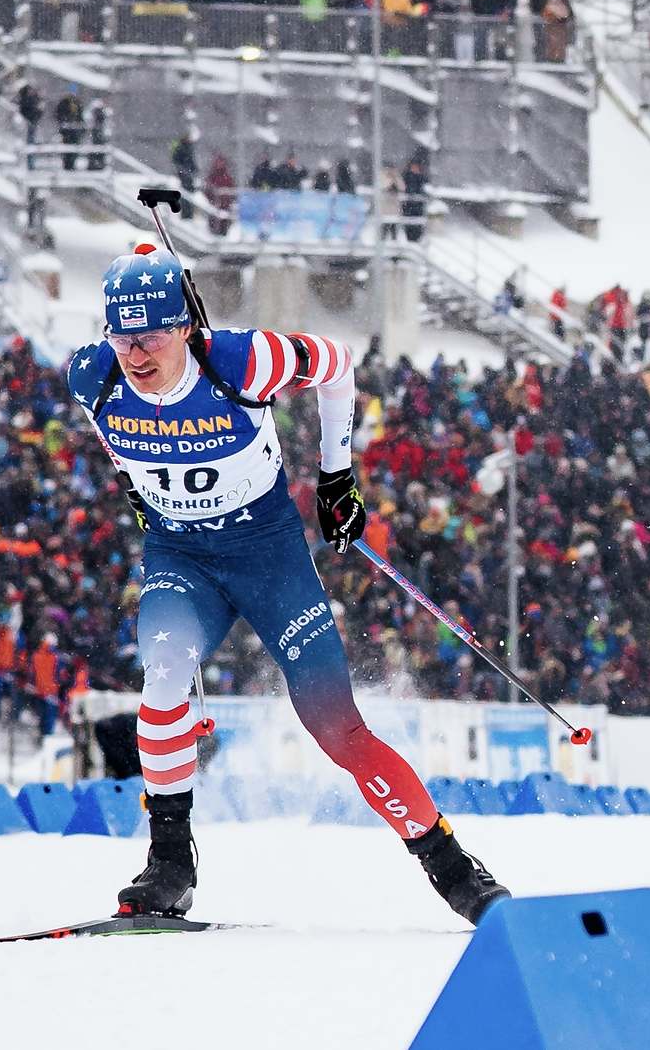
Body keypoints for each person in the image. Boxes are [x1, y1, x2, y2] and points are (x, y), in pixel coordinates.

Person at [66, 247, 508, 924]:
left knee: (336, 727)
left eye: (151, 335)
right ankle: (169, 865)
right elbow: (123, 449)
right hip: (182, 557)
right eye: (121, 338)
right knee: (161, 682)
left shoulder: (245, 360)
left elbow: (337, 365)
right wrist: (139, 492)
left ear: (185, 327)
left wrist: (337, 478)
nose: (136, 354)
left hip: (269, 555)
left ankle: (452, 867)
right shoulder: (90, 376)